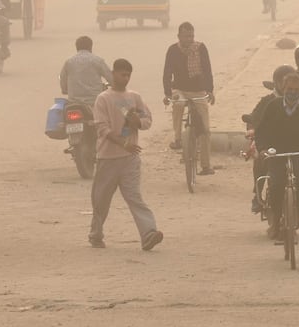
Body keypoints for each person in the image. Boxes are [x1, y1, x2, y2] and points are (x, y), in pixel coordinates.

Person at [89, 58, 162, 251]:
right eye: (122, 74)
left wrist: (137, 121)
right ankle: (96, 234)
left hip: (130, 159)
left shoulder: (134, 97)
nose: (126, 78)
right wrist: (124, 143)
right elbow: (102, 128)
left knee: (134, 197)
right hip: (108, 158)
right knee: (101, 200)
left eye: (128, 75)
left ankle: (149, 233)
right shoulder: (103, 99)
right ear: (113, 74)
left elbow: (147, 120)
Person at [254, 72, 299, 240]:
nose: (293, 92)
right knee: (276, 183)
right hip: (276, 152)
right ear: (283, 89)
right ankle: (276, 222)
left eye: (296, 89)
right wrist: (262, 149)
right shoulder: (273, 106)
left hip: (298, 151)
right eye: (289, 89)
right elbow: (261, 130)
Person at [162, 22, 216, 175]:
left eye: (191, 36)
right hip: (180, 89)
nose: (190, 39)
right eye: (186, 36)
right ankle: (178, 138)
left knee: (205, 129)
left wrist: (210, 91)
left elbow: (207, 70)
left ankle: (206, 165)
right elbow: (167, 73)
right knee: (177, 103)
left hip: (199, 90)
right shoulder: (172, 50)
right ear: (179, 36)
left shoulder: (200, 48)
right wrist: (167, 93)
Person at [248, 64, 295, 214]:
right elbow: (254, 118)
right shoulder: (267, 101)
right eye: (282, 81)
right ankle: (257, 195)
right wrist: (252, 129)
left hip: (293, 141)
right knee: (260, 160)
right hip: (269, 142)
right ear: (275, 83)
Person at [60, 36, 113, 105]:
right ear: (90, 47)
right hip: (94, 102)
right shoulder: (98, 60)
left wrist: (64, 90)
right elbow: (111, 78)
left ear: (76, 47)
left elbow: (62, 78)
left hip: (74, 102)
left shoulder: (69, 62)